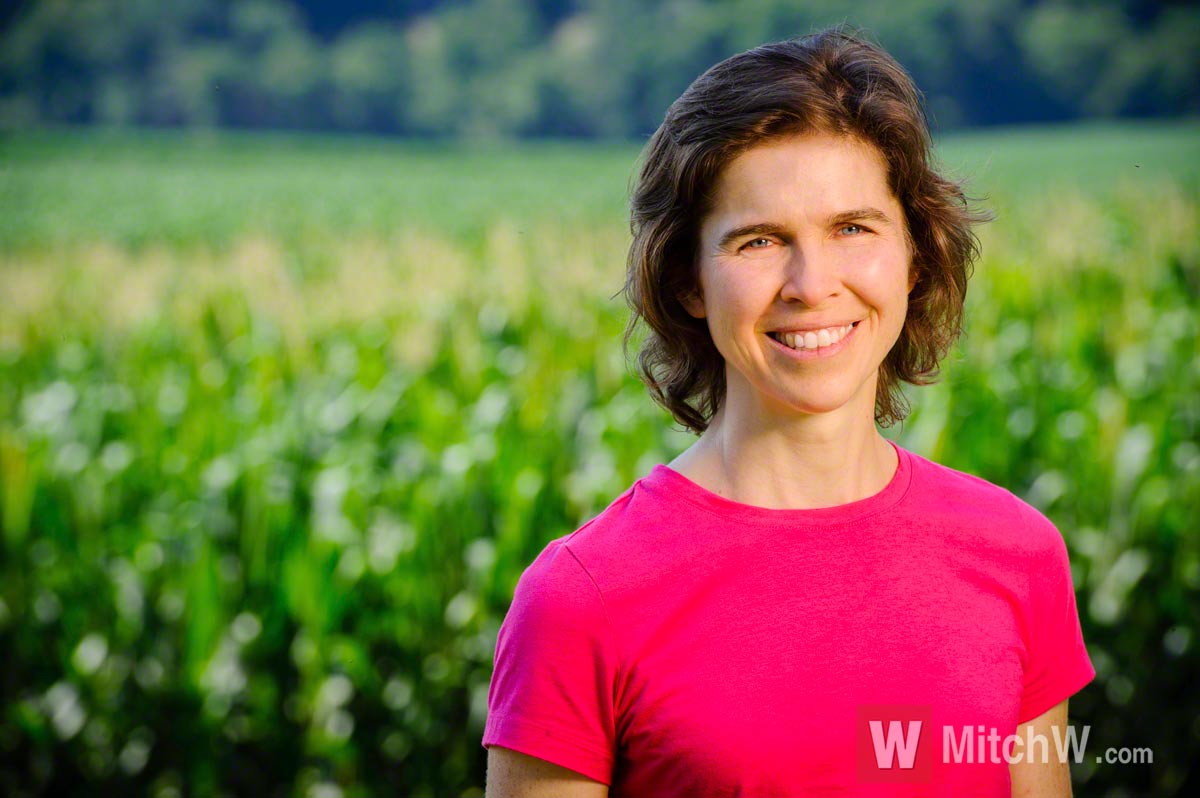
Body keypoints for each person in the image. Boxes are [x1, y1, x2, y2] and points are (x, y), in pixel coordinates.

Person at [482, 26, 1095, 797]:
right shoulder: (580, 602)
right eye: (760, 241)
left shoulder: (1017, 557)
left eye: (853, 229)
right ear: (689, 283)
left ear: (914, 255)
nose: (812, 283)